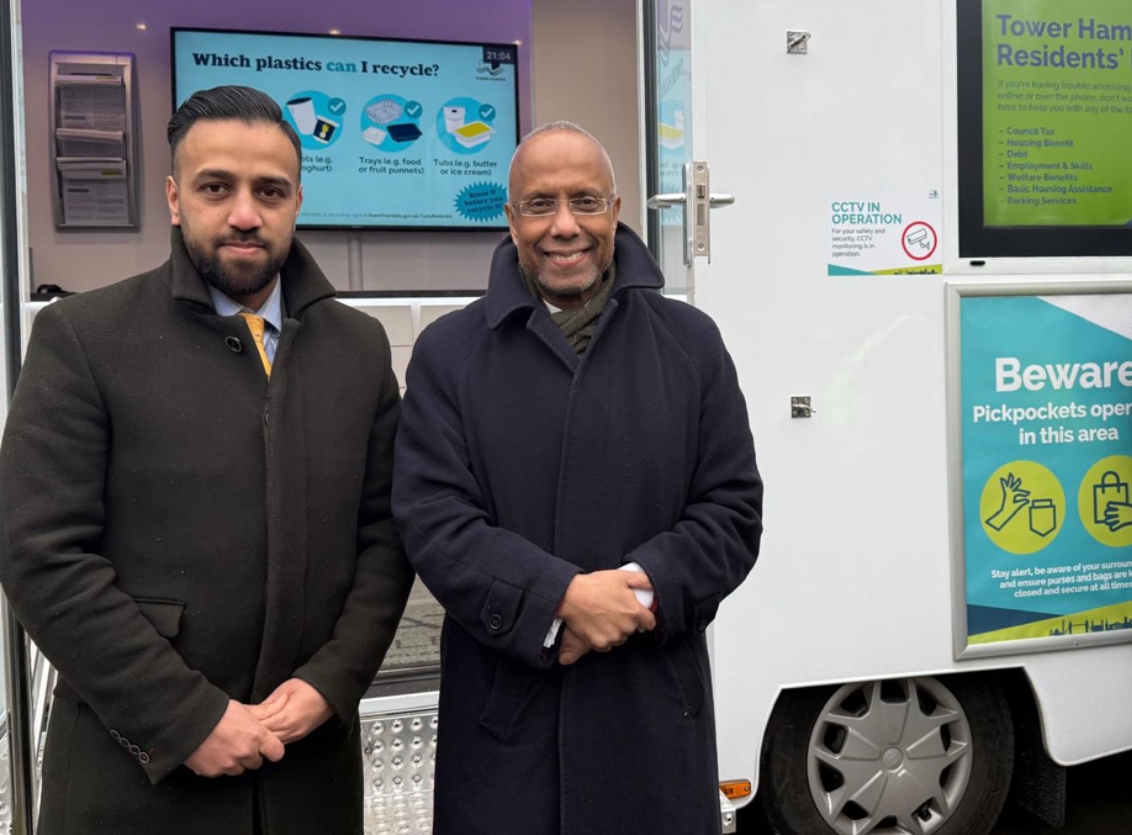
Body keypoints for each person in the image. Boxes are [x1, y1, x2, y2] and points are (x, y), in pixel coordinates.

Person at [0, 85, 413, 835]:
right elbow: (39, 553)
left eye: (270, 191)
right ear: (174, 197)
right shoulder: (84, 338)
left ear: (297, 201)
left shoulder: (358, 349)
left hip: (310, 778)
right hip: (136, 785)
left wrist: (332, 681)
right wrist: (183, 717)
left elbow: (385, 536)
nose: (245, 213)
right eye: (216, 187)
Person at [392, 121, 763, 834]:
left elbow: (731, 511)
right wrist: (559, 599)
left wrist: (631, 596)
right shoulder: (449, 354)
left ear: (615, 211)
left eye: (586, 201)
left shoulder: (691, 344)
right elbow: (435, 521)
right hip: (509, 730)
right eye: (541, 204)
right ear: (511, 220)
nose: (565, 226)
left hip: (652, 717)